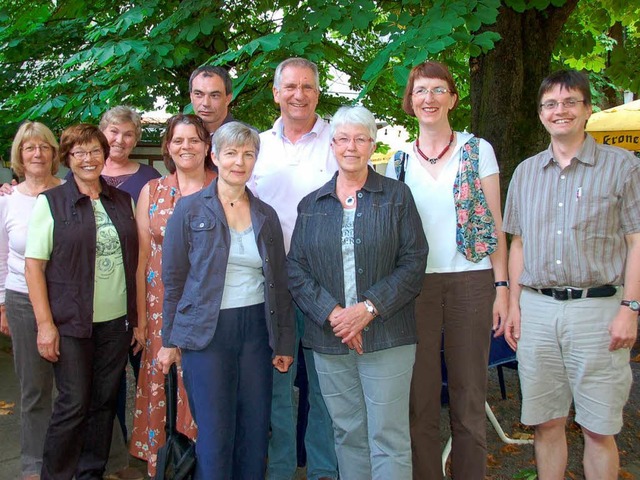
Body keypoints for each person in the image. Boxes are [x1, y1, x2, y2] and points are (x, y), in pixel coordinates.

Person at [503, 69, 640, 479]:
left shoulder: (623, 166)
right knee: (546, 423)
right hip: (538, 311)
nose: (559, 111)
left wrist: (631, 308)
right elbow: (518, 245)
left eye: (569, 102)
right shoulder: (526, 172)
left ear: (587, 110)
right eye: (550, 104)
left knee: (598, 428)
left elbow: (637, 242)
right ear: (541, 114)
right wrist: (513, 304)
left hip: (598, 311)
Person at [288, 105, 428, 479]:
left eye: (361, 139)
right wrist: (336, 316)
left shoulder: (397, 197)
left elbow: (414, 262)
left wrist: (368, 309)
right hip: (330, 339)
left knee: (388, 436)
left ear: (372, 144)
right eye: (344, 139)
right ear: (332, 144)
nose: (352, 147)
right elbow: (296, 270)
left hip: (387, 335)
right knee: (347, 433)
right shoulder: (311, 206)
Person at [385, 60, 508, 480]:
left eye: (439, 90)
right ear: (410, 101)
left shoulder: (477, 150)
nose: (429, 98)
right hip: (414, 288)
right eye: (421, 90)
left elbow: (495, 224)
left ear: (453, 98)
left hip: (471, 283)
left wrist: (503, 287)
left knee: (469, 396)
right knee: (418, 400)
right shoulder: (397, 162)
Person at [157, 121, 295, 479]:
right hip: (208, 333)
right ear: (215, 156)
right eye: (231, 153)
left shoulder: (266, 215)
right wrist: (169, 341)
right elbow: (174, 282)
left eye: (248, 154)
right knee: (216, 432)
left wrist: (282, 341)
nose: (240, 161)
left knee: (253, 430)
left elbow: (278, 284)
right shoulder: (189, 211)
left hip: (255, 333)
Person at [24, 124, 138, 479]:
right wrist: (45, 325)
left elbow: (135, 262)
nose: (88, 159)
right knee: (73, 404)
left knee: (103, 404)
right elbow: (33, 267)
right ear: (68, 158)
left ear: (105, 154)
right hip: (71, 323)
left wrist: (137, 319)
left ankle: (90, 473)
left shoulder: (122, 201)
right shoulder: (51, 202)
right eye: (79, 152)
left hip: (116, 323)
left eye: (94, 151)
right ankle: (56, 474)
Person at [248, 57, 339, 480]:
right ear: (276, 92)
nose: (298, 94)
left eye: (307, 86)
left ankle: (324, 472)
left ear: (317, 93)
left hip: (326, 286)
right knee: (277, 391)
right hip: (273, 287)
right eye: (290, 87)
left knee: (324, 390)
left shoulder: (339, 140)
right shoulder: (257, 147)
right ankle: (280, 471)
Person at [129, 114, 216, 477]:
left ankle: (207, 461)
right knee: (163, 382)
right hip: (160, 306)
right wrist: (142, 320)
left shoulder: (223, 186)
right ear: (167, 147)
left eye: (194, 140)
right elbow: (142, 258)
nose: (186, 147)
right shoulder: (153, 191)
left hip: (210, 306)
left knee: (206, 382)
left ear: (207, 146)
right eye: (178, 141)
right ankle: (167, 461)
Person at [99, 105, 160, 480]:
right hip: (101, 295)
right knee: (107, 383)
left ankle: (155, 451)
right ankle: (117, 455)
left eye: (128, 134)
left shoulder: (149, 178)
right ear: (101, 132)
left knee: (149, 375)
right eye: (113, 132)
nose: (119, 140)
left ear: (136, 140)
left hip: (144, 293)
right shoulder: (82, 174)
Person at [0, 121, 62, 480]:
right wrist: (3, 306)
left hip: (67, 302)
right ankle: (34, 465)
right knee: (35, 389)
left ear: (54, 154)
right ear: (19, 156)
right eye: (29, 148)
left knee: (74, 389)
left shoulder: (69, 192)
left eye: (44, 147)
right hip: (22, 301)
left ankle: (73, 456)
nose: (37, 153)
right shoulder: (8, 200)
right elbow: (2, 255)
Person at [189, 65, 234, 135]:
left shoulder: (252, 140)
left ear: (228, 99)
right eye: (198, 94)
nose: (206, 103)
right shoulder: (183, 140)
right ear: (191, 96)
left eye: (214, 95)